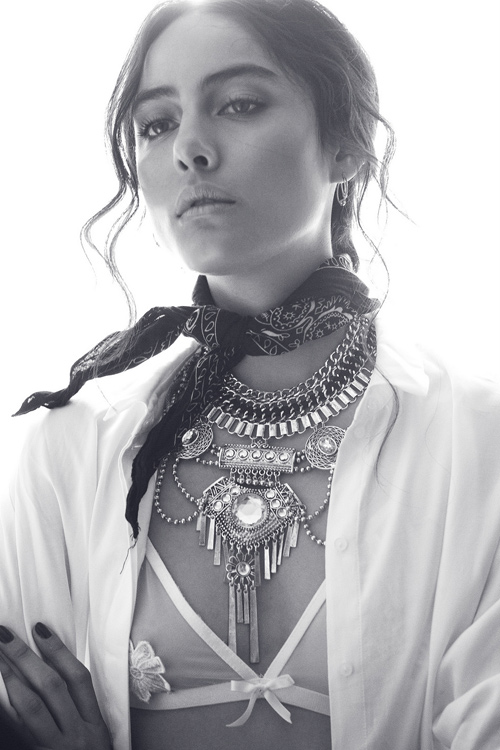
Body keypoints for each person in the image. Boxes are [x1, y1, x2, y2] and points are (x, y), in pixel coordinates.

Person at [1, 1, 499, 749]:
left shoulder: (477, 442)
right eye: (156, 123)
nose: (189, 150)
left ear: (347, 145)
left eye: (239, 104)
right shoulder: (67, 448)